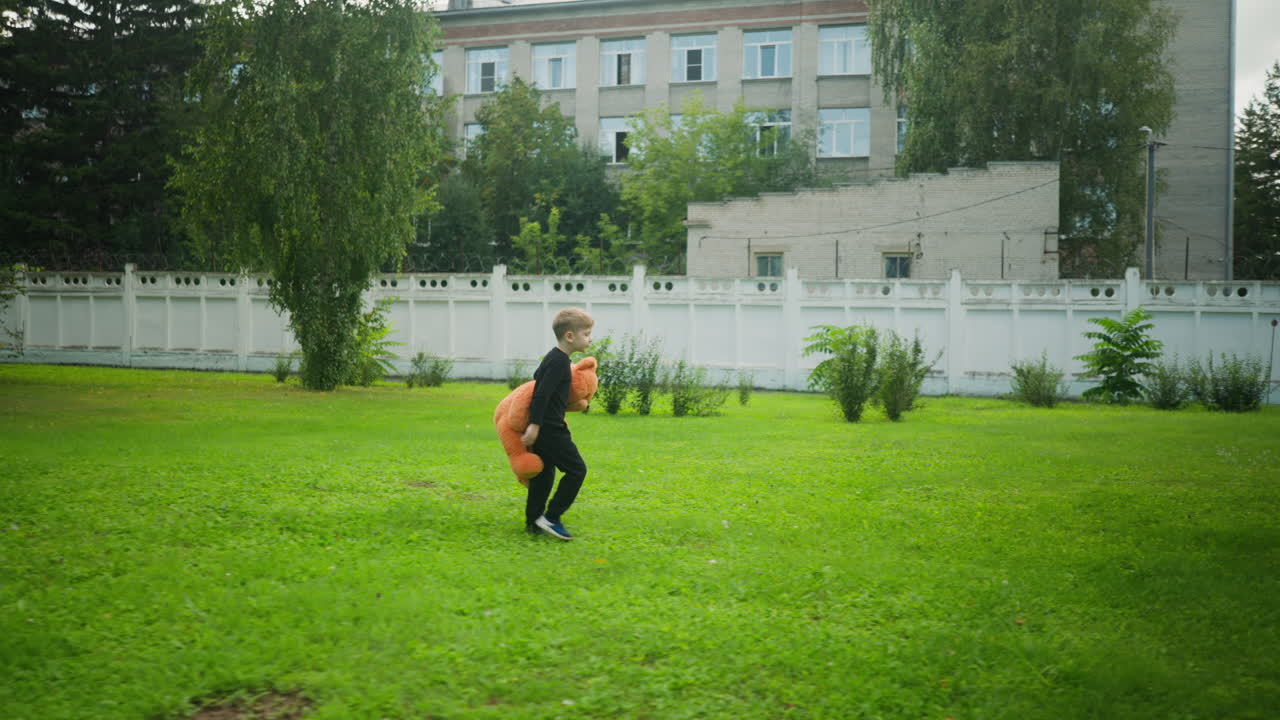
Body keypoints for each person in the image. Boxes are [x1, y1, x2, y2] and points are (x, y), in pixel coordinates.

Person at [522, 307, 594, 540]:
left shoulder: (553, 358)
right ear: (569, 336)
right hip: (551, 430)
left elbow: (537, 378)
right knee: (577, 470)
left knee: (544, 475)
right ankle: (551, 517)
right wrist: (534, 425)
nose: (590, 338)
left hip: (545, 428)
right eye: (586, 333)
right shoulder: (559, 362)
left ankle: (533, 522)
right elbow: (540, 394)